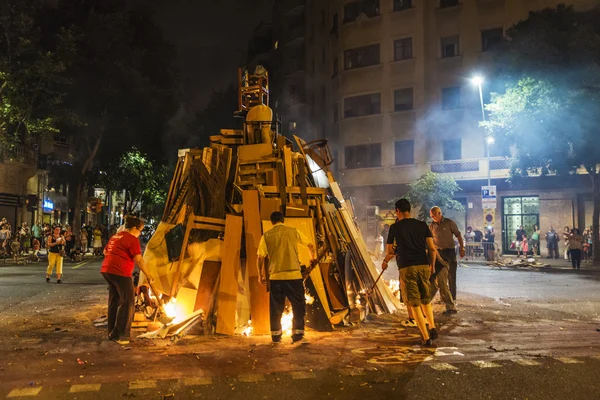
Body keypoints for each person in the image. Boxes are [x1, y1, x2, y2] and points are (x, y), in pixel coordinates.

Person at [381, 199, 438, 346]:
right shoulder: (422, 225)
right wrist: (431, 265)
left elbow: (389, 250)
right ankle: (432, 326)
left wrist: (388, 257)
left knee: (414, 302)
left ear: (397, 211)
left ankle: (425, 337)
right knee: (425, 298)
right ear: (410, 210)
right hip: (423, 265)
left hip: (407, 267)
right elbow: (432, 248)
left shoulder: (395, 228)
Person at [257, 211, 315, 344]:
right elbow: (310, 245)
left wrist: (260, 275)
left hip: (276, 277)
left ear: (272, 222)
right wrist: (312, 258)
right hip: (294, 276)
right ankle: (298, 333)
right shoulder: (293, 231)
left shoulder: (266, 236)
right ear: (282, 220)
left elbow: (260, 257)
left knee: (276, 307)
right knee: (298, 304)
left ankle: (276, 335)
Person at [101, 216, 154, 345]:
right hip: (120, 272)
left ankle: (112, 332)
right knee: (128, 301)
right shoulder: (132, 239)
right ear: (134, 228)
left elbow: (105, 251)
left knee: (114, 300)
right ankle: (122, 335)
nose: (140, 233)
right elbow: (139, 259)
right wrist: (149, 274)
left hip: (107, 269)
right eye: (140, 230)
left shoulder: (116, 236)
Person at [429, 206, 462, 313]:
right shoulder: (432, 225)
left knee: (451, 276)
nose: (432, 217)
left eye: (434, 215)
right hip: (439, 252)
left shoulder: (449, 223)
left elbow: (458, 235)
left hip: (449, 251)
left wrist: (462, 248)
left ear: (439, 213)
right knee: (436, 277)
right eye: (431, 216)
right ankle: (443, 300)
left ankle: (452, 300)